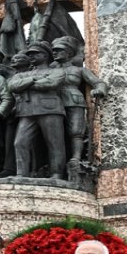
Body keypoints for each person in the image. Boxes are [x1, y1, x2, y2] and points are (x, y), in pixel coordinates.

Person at [8, 41, 68, 179]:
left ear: (46, 56)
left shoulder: (57, 71)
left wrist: (27, 83)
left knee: (55, 143)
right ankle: (21, 173)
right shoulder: (22, 74)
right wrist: (34, 79)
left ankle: (57, 174)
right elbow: (13, 86)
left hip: (50, 109)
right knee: (20, 142)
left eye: (36, 53)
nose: (32, 56)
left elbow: (51, 83)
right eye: (30, 54)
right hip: (26, 112)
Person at [49, 37, 108, 165]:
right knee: (54, 133)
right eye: (53, 50)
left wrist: (99, 90)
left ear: (68, 53)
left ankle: (76, 158)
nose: (54, 53)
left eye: (59, 50)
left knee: (76, 131)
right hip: (53, 103)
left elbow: (98, 82)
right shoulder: (49, 70)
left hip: (74, 101)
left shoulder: (79, 70)